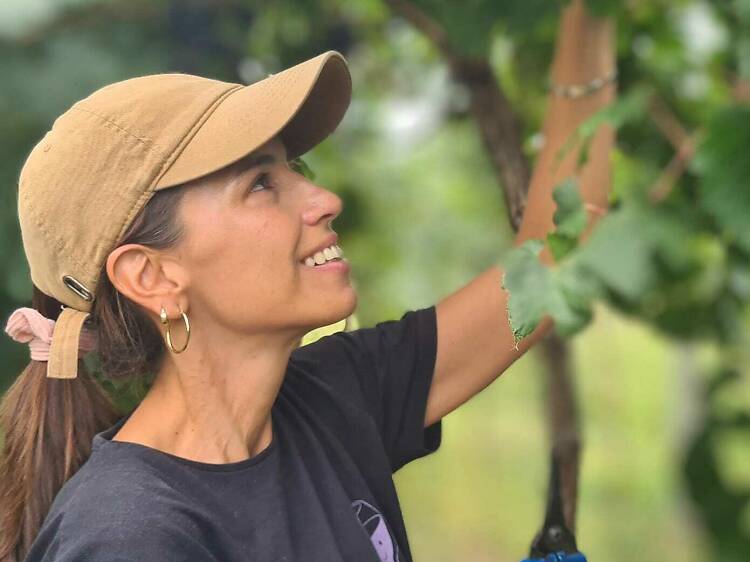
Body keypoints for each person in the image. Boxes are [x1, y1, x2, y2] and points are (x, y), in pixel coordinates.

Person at [0, 1, 615, 561]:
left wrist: (591, 18)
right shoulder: (130, 538)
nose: (324, 198)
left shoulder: (333, 398)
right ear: (152, 275)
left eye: (293, 167)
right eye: (261, 184)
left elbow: (556, 256)